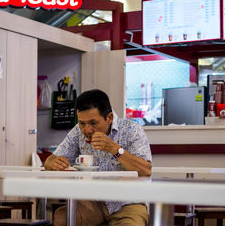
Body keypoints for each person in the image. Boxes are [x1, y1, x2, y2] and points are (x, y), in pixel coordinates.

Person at [45, 89, 152, 226]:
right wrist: (53, 163)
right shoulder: (78, 131)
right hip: (92, 202)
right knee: (62, 217)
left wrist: (114, 148)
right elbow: (51, 160)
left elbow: (145, 171)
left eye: (93, 123)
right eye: (82, 123)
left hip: (128, 202)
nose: (87, 130)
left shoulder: (132, 130)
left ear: (109, 118)